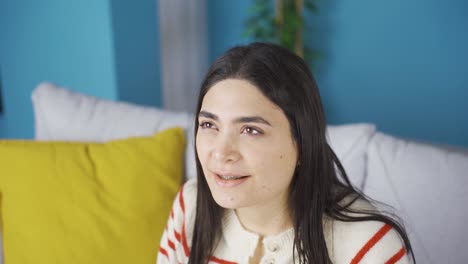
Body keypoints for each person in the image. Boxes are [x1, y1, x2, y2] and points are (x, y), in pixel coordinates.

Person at [157, 42, 414, 264]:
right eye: (209, 125)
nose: (221, 153)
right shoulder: (190, 206)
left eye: (250, 130)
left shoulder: (369, 245)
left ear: (302, 144)